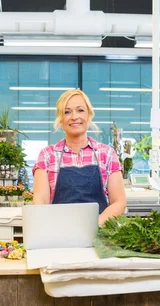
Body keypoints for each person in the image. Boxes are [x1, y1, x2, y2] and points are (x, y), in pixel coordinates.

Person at [32, 89, 126, 226]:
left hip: (100, 237)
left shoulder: (107, 154)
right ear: (60, 118)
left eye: (80, 110)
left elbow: (119, 202)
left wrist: (95, 224)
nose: (74, 117)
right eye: (67, 112)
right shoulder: (47, 155)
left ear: (89, 114)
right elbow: (40, 200)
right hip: (58, 233)